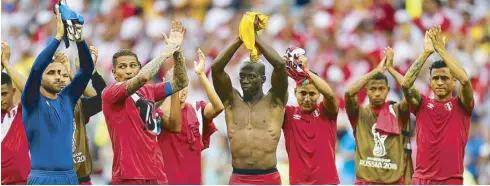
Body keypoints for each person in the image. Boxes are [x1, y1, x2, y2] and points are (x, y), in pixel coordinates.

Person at [101, 20, 188, 185]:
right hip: (129, 176)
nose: (128, 70)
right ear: (113, 72)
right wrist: (164, 53)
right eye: (122, 66)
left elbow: (180, 82)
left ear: (138, 67)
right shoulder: (110, 94)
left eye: (132, 66)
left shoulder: (149, 91)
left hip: (156, 174)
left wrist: (177, 51)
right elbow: (143, 77)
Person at [21, 6, 94, 185]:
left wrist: (79, 39)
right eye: (52, 73)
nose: (59, 77)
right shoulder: (31, 100)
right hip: (42, 178)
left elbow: (86, 70)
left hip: (70, 177)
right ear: (40, 79)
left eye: (62, 74)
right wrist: (58, 37)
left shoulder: (67, 98)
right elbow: (37, 68)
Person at [211, 28, 288, 184]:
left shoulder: (275, 101)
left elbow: (280, 65)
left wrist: (254, 37)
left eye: (251, 76)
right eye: (242, 76)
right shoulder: (231, 102)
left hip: (268, 177)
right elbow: (216, 68)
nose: (245, 81)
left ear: (263, 78)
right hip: (239, 177)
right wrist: (240, 38)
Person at [401, 26, 474, 185]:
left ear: (453, 81)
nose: (439, 82)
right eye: (435, 78)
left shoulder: (462, 105)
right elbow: (406, 84)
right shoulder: (422, 104)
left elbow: (466, 81)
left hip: (451, 181)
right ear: (430, 81)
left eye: (444, 78)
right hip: (421, 180)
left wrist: (441, 50)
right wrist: (426, 53)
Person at [345, 47, 413, 185]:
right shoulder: (360, 114)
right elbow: (348, 94)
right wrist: (376, 71)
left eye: (381, 89)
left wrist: (391, 70)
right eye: (373, 89)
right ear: (366, 90)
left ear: (388, 90)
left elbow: (411, 94)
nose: (377, 93)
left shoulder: (397, 111)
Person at [157, 49, 223, 184]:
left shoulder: (197, 109)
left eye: (184, 83)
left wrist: (201, 74)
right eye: (177, 83)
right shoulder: (158, 113)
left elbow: (218, 107)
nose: (183, 89)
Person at [282, 47, 340, 184]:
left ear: (318, 94)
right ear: (295, 92)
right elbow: (276, 99)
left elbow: (330, 95)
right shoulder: (288, 114)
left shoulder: (326, 112)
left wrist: (305, 71)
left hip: (327, 183)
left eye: (312, 94)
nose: (307, 99)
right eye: (303, 93)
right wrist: (281, 71)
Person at [60, 47, 106, 185]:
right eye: (55, 76)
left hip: (81, 179)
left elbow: (104, 99)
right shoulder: (41, 108)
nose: (61, 80)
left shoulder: (79, 106)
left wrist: (88, 72)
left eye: (65, 77)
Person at [1, 42, 30, 185]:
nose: (0, 99)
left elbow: (29, 91)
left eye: (4, 94)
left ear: (12, 92)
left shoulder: (21, 112)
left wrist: (6, 64)